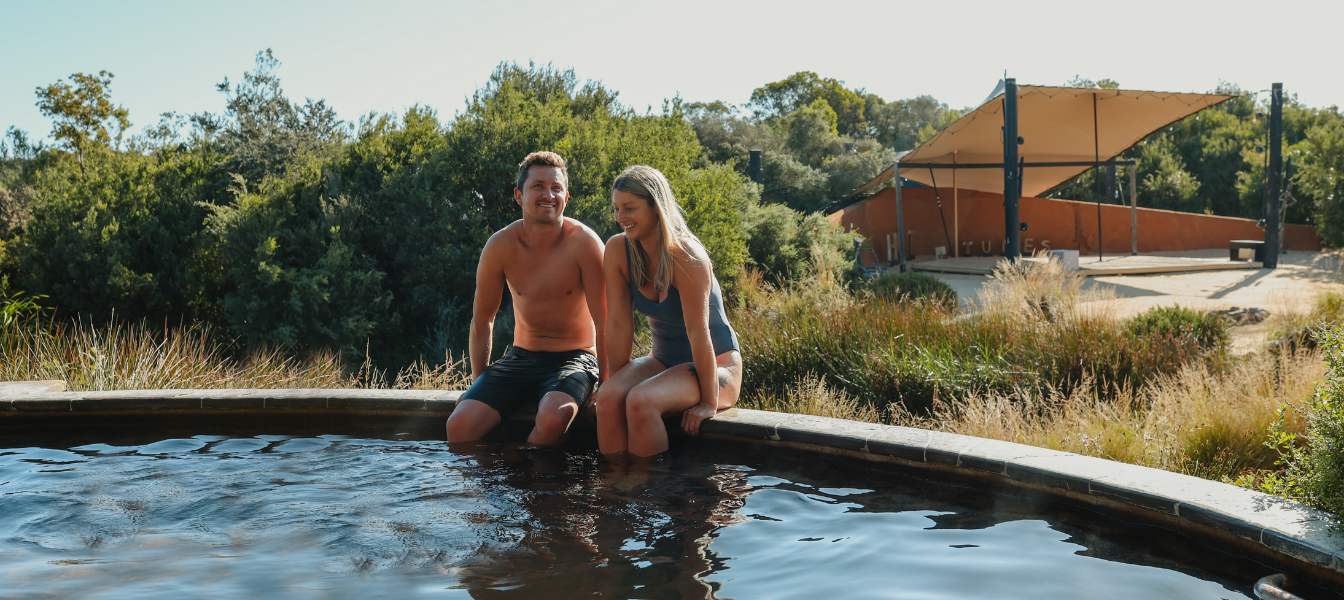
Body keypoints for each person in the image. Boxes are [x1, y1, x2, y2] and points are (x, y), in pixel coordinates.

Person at [446, 151, 607, 446]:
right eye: (538, 186)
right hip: (521, 357)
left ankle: (531, 485)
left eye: (556, 188)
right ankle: (488, 491)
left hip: (576, 358)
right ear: (519, 196)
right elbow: (483, 320)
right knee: (459, 425)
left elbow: (607, 321)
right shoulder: (500, 245)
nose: (549, 195)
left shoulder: (585, 243)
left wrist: (606, 387)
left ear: (566, 197)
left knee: (553, 417)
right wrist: (478, 384)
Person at [594, 165, 743, 457]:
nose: (620, 218)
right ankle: (615, 493)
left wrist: (708, 403)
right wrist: (617, 382)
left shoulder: (687, 256)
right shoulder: (618, 250)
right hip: (662, 360)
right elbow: (619, 325)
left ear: (655, 207)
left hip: (717, 364)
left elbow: (697, 331)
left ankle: (651, 495)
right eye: (616, 209)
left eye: (629, 208)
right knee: (609, 397)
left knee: (641, 400)